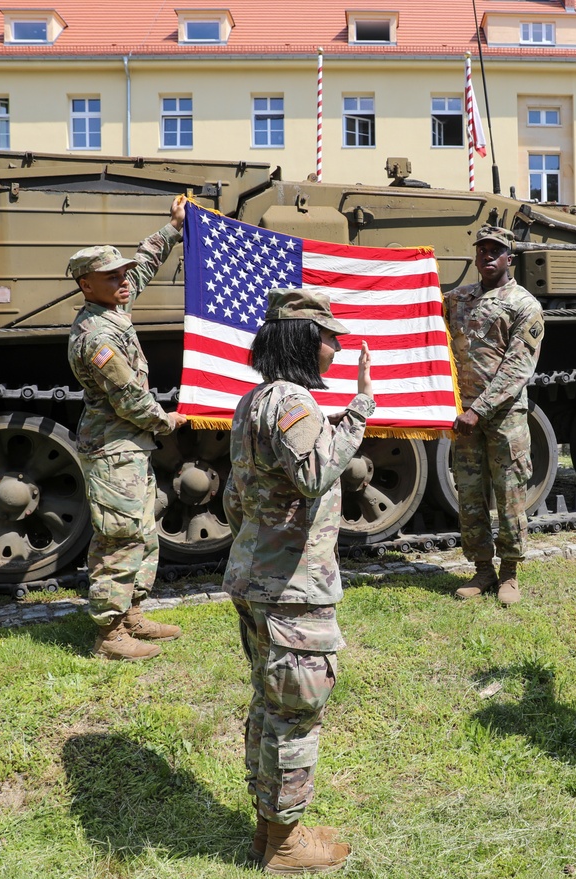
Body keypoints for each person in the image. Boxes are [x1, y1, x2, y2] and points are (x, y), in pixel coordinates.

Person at [223, 289, 374, 874]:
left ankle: (270, 828)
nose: (336, 348)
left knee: (269, 703)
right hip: (292, 589)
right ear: (307, 342)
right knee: (295, 714)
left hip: (257, 578)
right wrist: (359, 410)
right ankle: (285, 845)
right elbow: (313, 473)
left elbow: (237, 496)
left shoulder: (252, 401)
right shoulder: (293, 403)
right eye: (330, 338)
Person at [67, 196, 188, 662]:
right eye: (112, 275)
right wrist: (166, 420)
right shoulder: (97, 337)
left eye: (122, 273)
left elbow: (142, 268)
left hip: (128, 447)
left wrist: (172, 229)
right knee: (118, 536)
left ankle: (131, 614)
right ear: (86, 284)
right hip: (114, 447)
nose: (123, 280)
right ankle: (109, 634)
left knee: (141, 530)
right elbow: (129, 399)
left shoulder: (111, 306)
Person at [444, 225, 544, 607]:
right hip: (463, 416)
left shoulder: (524, 304)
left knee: (509, 495)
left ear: (510, 259)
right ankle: (482, 570)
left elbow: (519, 366)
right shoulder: (458, 298)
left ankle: (510, 574)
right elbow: (424, 317)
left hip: (504, 418)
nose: (487, 256)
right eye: (482, 249)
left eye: (495, 250)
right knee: (469, 494)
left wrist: (478, 409)